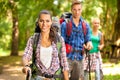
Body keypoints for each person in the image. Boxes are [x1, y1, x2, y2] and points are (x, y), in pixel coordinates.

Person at [22, 10, 69, 80]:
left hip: (55, 77)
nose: (44, 24)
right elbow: (26, 56)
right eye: (41, 21)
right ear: (38, 22)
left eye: (47, 21)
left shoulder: (59, 40)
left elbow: (64, 64)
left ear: (51, 22)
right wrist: (26, 66)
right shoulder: (33, 39)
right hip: (37, 77)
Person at [61, 0, 93, 80]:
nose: (77, 12)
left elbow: (88, 39)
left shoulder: (85, 25)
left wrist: (89, 44)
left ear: (81, 10)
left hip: (80, 58)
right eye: (74, 9)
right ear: (71, 10)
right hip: (67, 58)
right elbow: (60, 43)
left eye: (79, 9)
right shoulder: (65, 24)